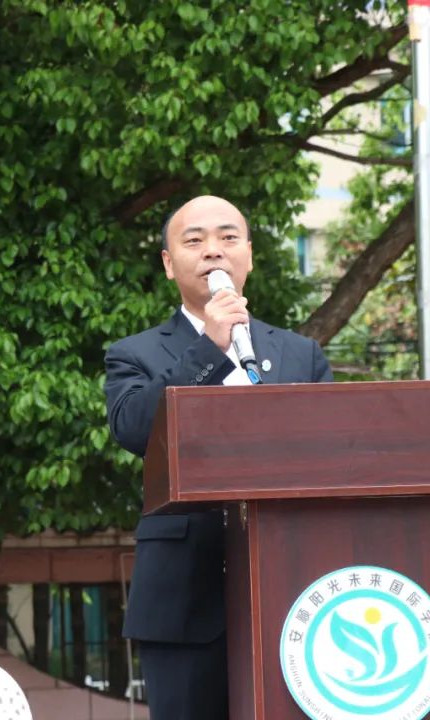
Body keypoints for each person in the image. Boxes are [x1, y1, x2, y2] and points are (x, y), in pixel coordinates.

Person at [104, 195, 332, 720]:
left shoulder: (300, 354)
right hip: (183, 597)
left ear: (249, 254)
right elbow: (135, 428)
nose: (213, 250)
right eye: (195, 240)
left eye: (228, 238)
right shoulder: (134, 353)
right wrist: (209, 346)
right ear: (169, 263)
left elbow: (332, 452)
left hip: (296, 588)